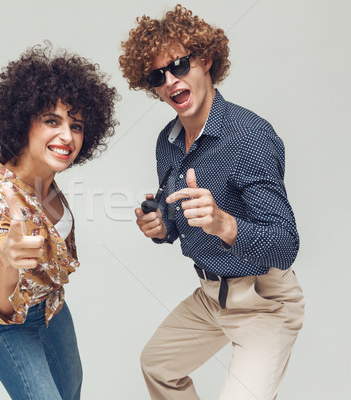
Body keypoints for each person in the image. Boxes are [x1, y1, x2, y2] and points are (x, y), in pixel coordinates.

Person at [119, 5, 305, 400]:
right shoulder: (167, 142)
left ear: (205, 60)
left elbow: (286, 244)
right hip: (209, 297)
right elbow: (180, 221)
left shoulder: (249, 136)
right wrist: (161, 227)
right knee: (157, 367)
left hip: (263, 302)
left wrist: (224, 223)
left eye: (180, 65)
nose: (170, 81)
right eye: (157, 76)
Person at [0, 43, 118, 400]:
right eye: (52, 120)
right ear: (23, 122)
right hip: (9, 326)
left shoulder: (43, 176)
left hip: (51, 309)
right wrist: (7, 258)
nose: (67, 136)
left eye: (76, 125)